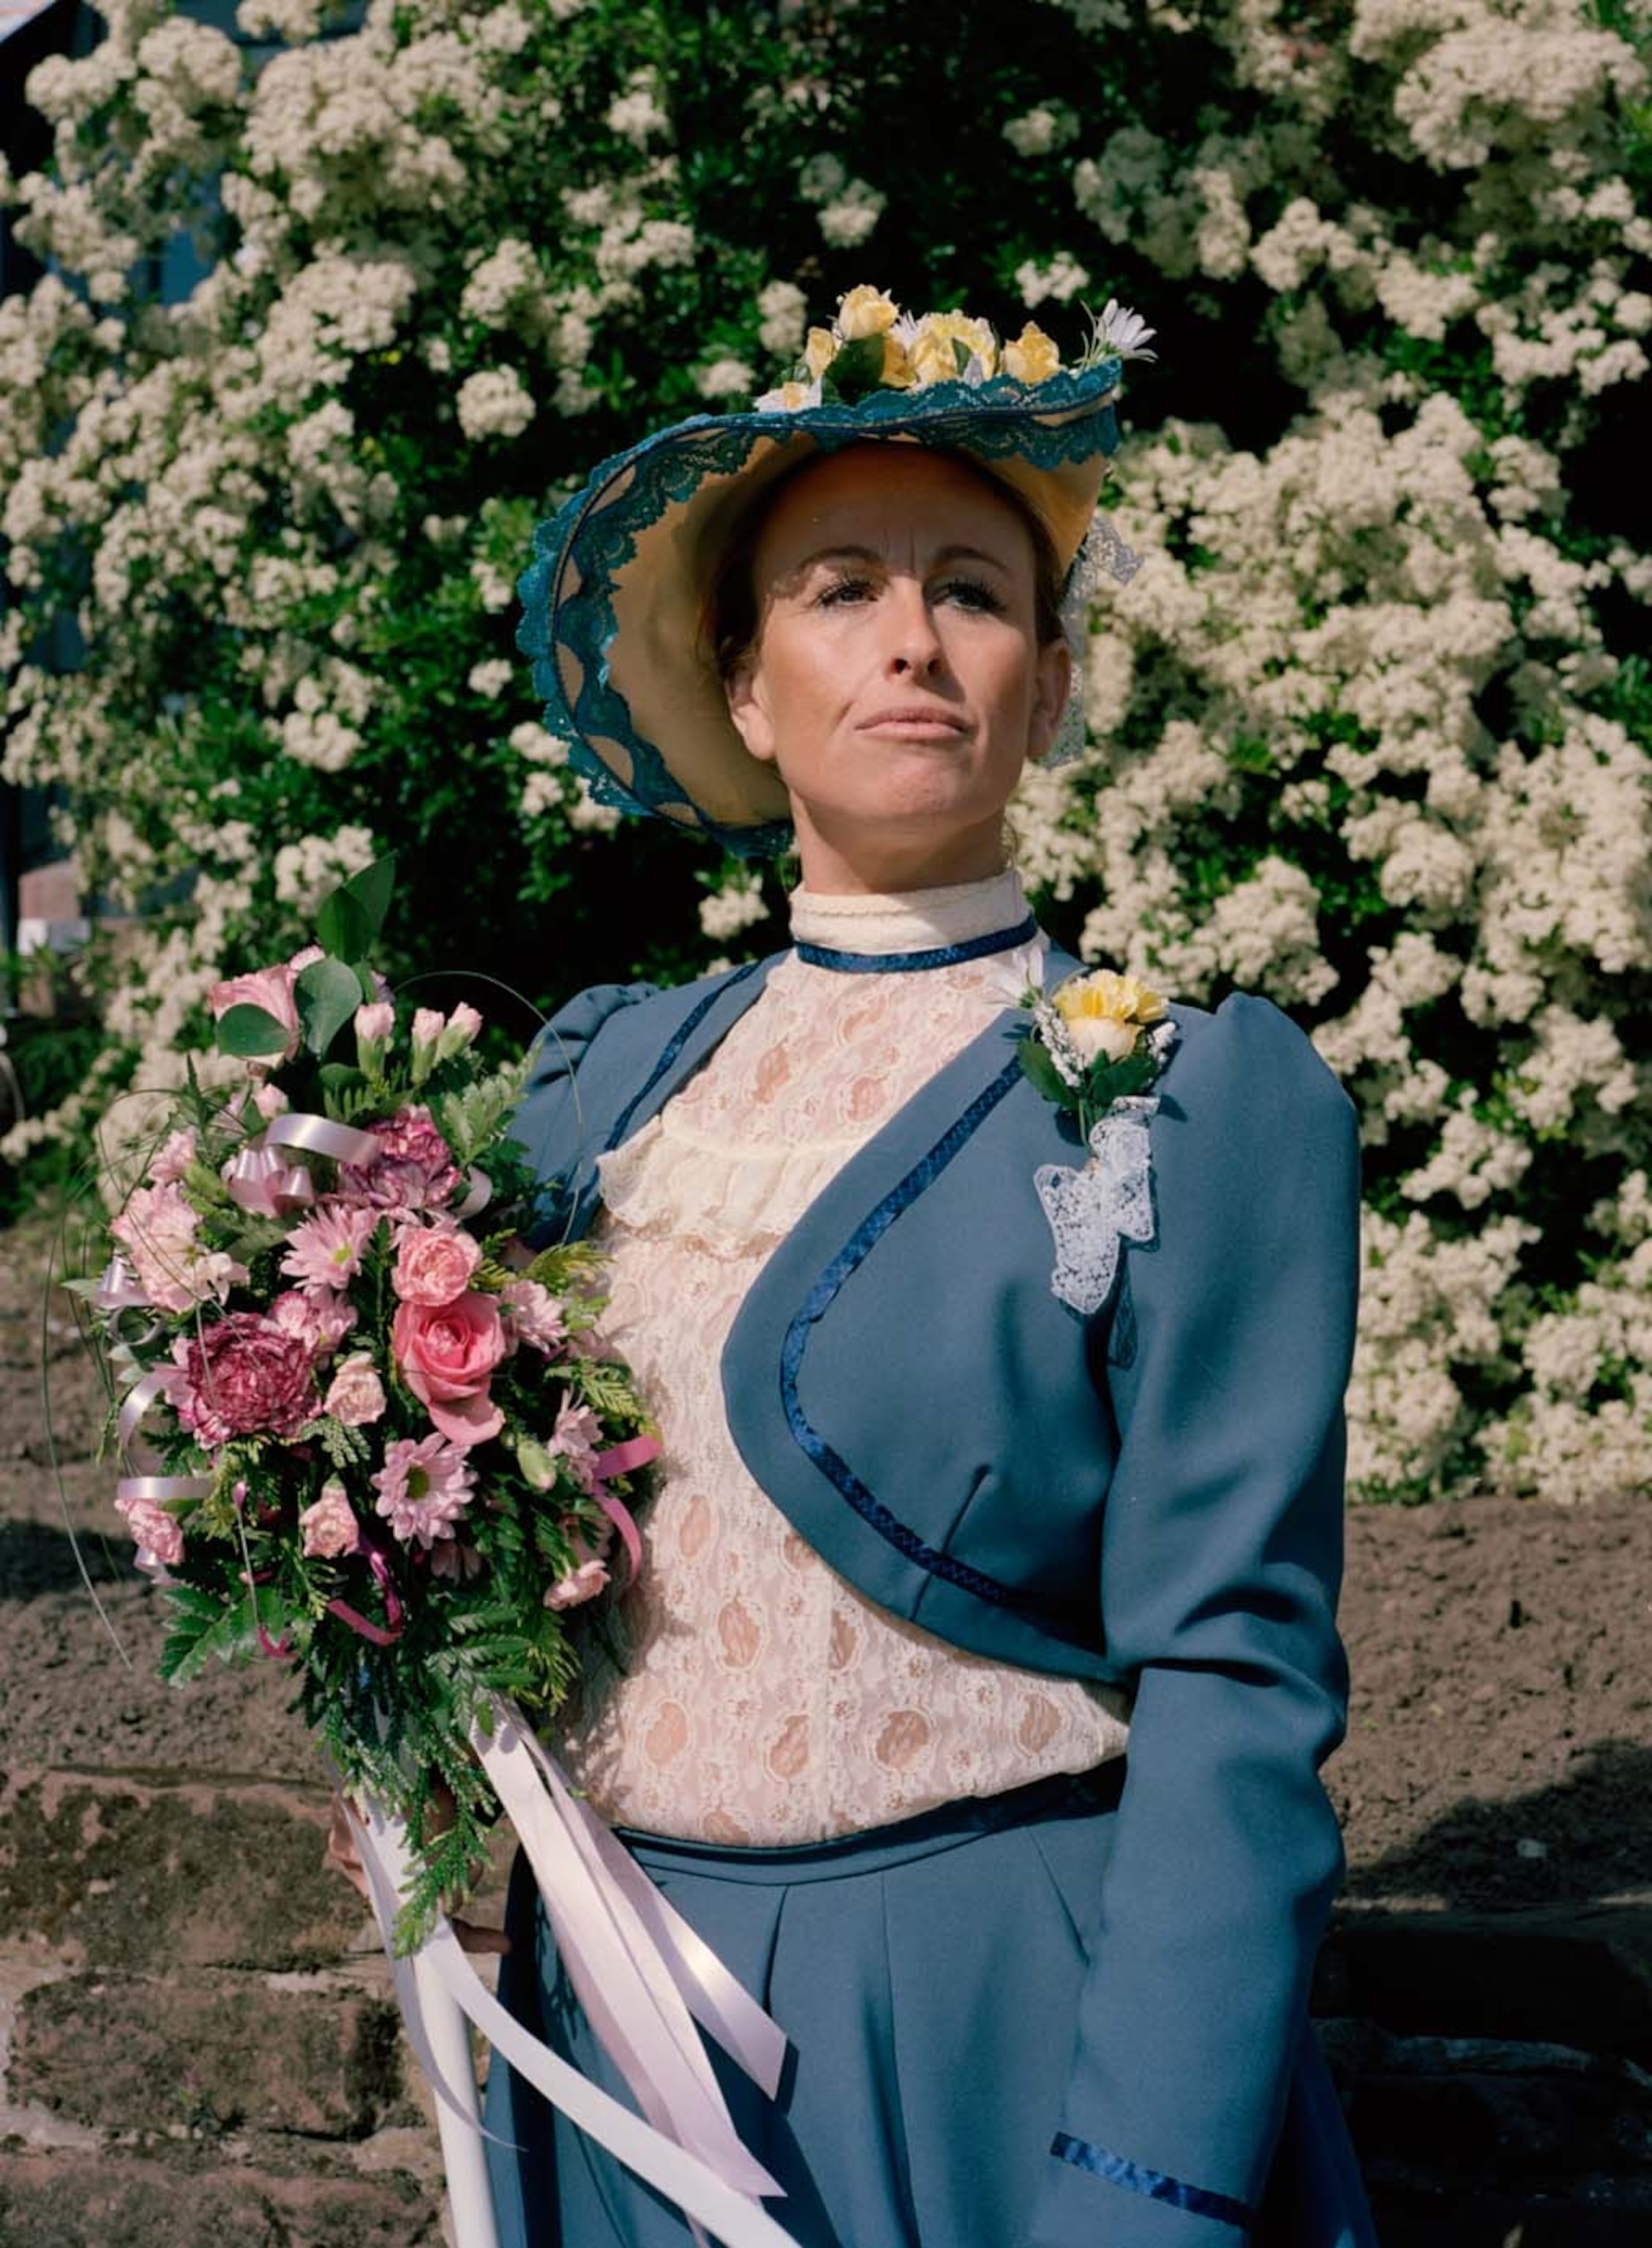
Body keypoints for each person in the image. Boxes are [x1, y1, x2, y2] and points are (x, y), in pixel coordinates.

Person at [375, 288, 1379, 2247]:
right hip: (625, 2021)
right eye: (841, 587)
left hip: (1004, 2016)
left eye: (973, 593)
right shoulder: (596, 1087)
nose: (912, 638)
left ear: (1049, 680)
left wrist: (1143, 2188)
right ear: (746, 690)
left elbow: (1235, 1683)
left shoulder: (1190, 1102)